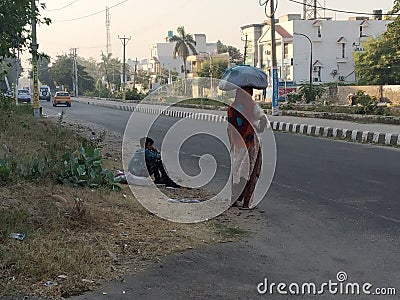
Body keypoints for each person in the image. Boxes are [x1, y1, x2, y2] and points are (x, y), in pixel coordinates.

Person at [227, 86, 267, 209]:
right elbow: (264, 119)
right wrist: (259, 128)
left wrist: (232, 144)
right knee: (252, 171)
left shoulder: (231, 108)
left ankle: (234, 199)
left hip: (238, 144)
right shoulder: (253, 105)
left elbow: (229, 128)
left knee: (237, 170)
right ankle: (246, 202)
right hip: (252, 143)